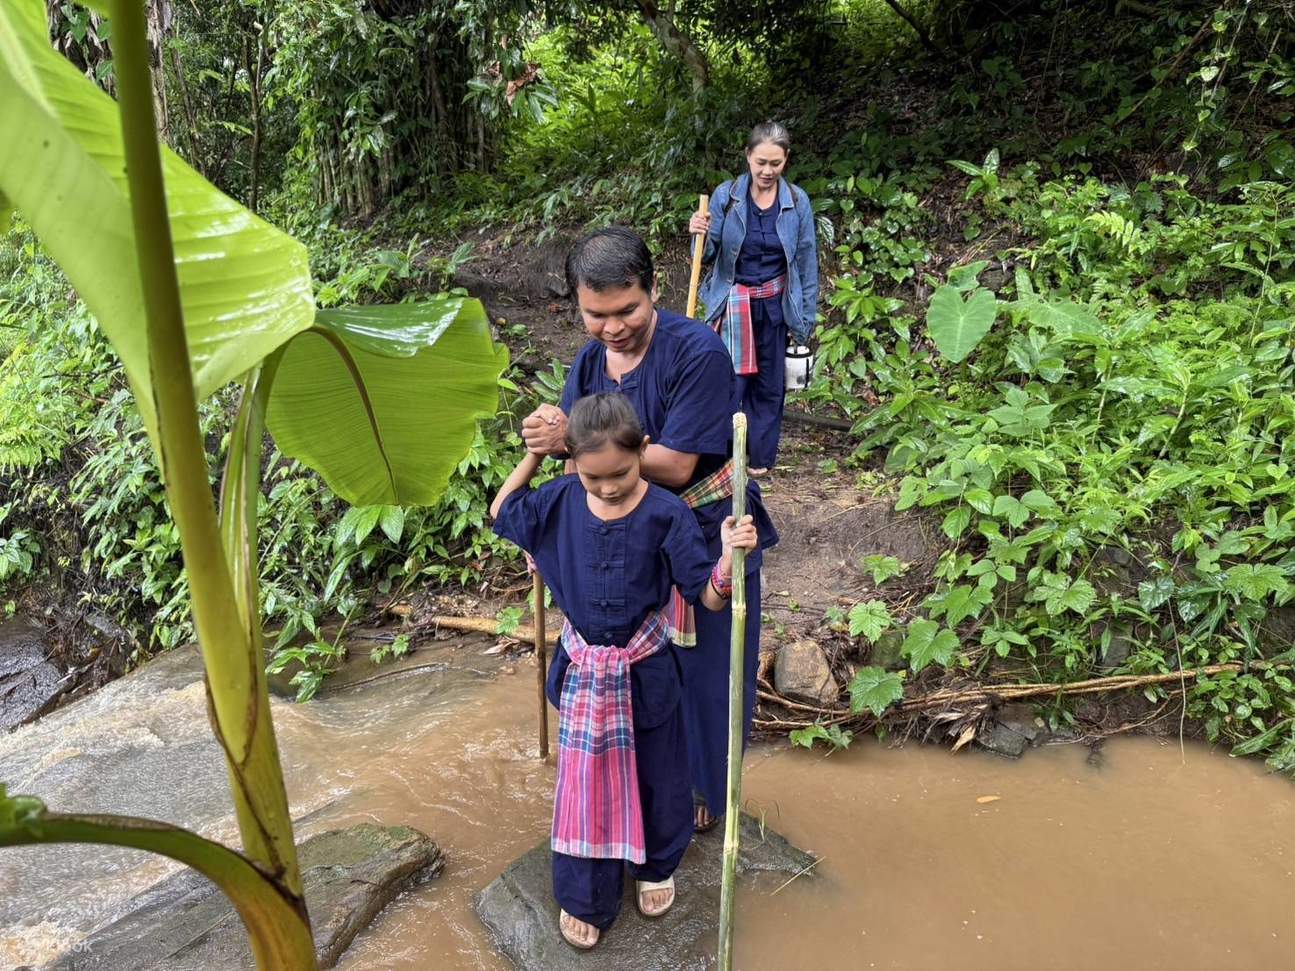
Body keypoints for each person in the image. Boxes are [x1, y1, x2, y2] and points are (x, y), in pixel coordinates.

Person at [520, 226, 778, 837]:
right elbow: (580, 460)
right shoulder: (588, 363)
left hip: (701, 527)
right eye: (596, 314)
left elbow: (678, 464)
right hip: (620, 537)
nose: (613, 327)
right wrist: (548, 450)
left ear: (654, 290)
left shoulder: (696, 353)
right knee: (633, 665)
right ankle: (638, 780)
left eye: (627, 310)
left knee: (707, 673)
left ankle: (702, 791)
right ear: (577, 306)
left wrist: (568, 444)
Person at [491, 393, 759, 950]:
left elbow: (706, 598)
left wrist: (730, 557)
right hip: (584, 668)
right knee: (584, 781)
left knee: (660, 774)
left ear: (642, 452)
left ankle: (656, 865)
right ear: (575, 465)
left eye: (620, 472)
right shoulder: (559, 499)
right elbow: (503, 511)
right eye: (594, 477)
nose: (608, 486)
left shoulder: (669, 513)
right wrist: (537, 455)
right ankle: (586, 894)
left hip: (646, 669)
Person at [689, 121, 819, 475]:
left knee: (769, 382)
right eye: (760, 162)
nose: (767, 170)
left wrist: (805, 319)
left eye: (775, 163)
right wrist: (698, 232)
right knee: (730, 381)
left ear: (786, 160)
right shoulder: (726, 196)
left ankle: (760, 456)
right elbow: (707, 253)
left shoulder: (796, 201)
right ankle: (727, 455)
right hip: (733, 304)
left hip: (776, 304)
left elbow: (806, 262)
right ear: (748, 157)